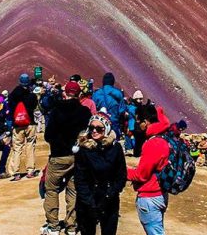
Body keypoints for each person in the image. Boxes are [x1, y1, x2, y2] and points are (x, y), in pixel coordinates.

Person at [42, 80, 92, 235]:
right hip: (77, 156)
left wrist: (58, 143)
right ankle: (71, 226)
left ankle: (54, 226)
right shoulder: (84, 112)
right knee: (73, 191)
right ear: (79, 94)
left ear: (65, 93)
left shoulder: (56, 111)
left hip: (58, 157)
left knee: (51, 190)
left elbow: (48, 135)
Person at [73, 113, 127, 235]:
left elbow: (121, 176)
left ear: (106, 129)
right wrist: (90, 203)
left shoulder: (115, 148)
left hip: (109, 199)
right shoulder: (84, 149)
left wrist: (110, 195)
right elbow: (80, 179)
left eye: (99, 128)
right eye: (91, 128)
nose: (94, 131)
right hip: (87, 200)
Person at [128, 106, 173, 235]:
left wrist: (122, 171)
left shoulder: (153, 143)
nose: (138, 126)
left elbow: (142, 175)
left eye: (138, 122)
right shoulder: (165, 137)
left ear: (146, 121)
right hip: (161, 193)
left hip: (150, 196)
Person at [7, 73, 40, 180]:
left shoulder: (13, 94)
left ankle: (15, 172)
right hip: (30, 123)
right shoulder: (31, 94)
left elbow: (10, 107)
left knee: (17, 148)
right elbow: (35, 106)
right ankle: (30, 170)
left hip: (17, 125)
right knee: (30, 146)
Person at [131, 91, 158, 158]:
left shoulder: (140, 108)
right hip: (135, 127)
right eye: (139, 99)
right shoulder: (133, 107)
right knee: (138, 143)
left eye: (141, 99)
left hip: (137, 127)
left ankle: (137, 154)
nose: (140, 101)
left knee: (138, 143)